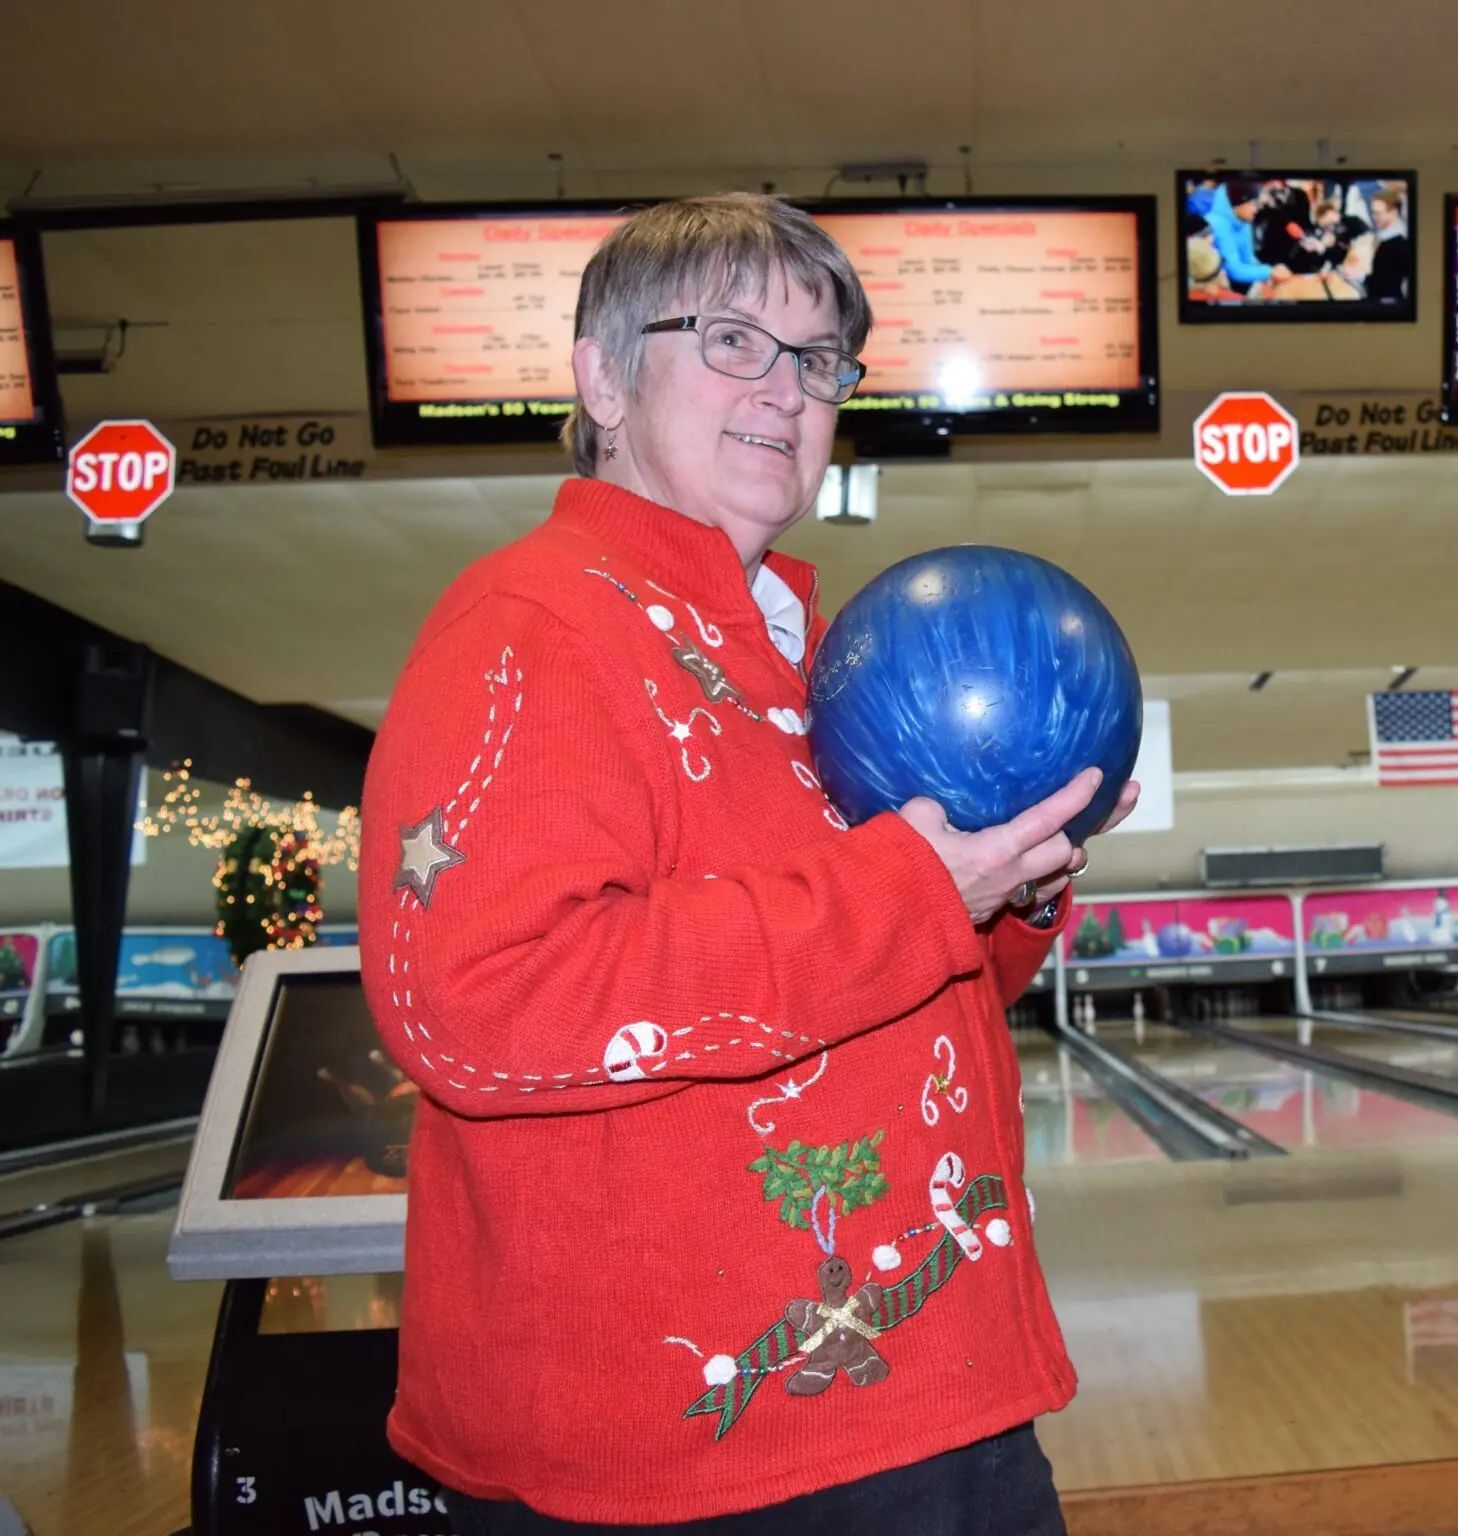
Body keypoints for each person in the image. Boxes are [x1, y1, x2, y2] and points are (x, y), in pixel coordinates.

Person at [358, 193, 1140, 1536]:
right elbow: (473, 1009)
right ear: (602, 376)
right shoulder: (529, 624)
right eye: (731, 341)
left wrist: (1007, 891)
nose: (786, 391)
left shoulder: (808, 660)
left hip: (924, 1398)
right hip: (690, 1471)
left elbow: (893, 994)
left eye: (818, 359)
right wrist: (909, 891)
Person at [1202, 177, 1292, 293]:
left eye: (1257, 204)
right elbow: (1234, 271)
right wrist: (1270, 272)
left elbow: (1248, 259)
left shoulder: (1244, 221)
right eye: (1253, 204)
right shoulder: (1216, 224)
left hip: (1235, 289)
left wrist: (1267, 273)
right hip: (1214, 290)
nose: (1256, 209)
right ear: (1238, 203)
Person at [1365, 190, 1411, 303]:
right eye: (1373, 212)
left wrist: (1360, 276)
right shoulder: (1385, 236)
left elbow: (1382, 283)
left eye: (1378, 213)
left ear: (1394, 212)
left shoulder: (1395, 244)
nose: (1374, 217)